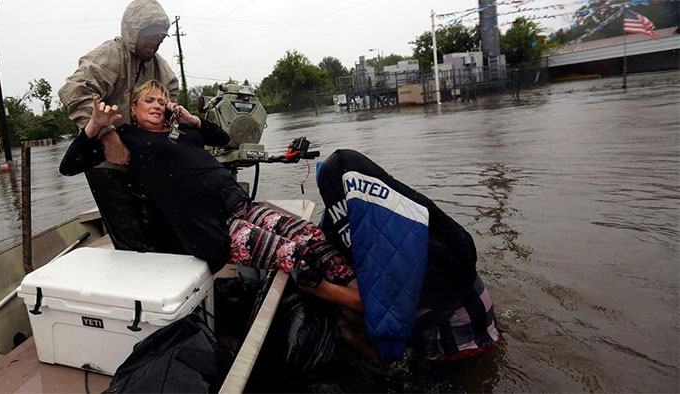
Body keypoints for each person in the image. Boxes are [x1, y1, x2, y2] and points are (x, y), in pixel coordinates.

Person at [59, 80, 362, 310]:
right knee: (297, 257)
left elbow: (224, 139)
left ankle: (362, 293)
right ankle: (361, 310)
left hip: (240, 206)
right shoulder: (128, 139)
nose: (157, 105)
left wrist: (194, 121)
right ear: (134, 109)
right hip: (213, 228)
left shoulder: (184, 131)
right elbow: (68, 166)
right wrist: (94, 126)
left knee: (311, 235)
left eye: (162, 101)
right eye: (148, 100)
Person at [316, 149, 502, 361]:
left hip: (456, 329)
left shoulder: (393, 241)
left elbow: (381, 303)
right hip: (474, 305)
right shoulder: (404, 209)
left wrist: (323, 290)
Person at [58, 0, 181, 252]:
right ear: (133, 31)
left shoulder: (161, 67)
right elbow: (74, 91)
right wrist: (107, 137)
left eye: (160, 36)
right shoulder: (112, 54)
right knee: (133, 238)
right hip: (105, 161)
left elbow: (171, 102)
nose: (155, 41)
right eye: (149, 34)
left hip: (142, 159)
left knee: (163, 226)